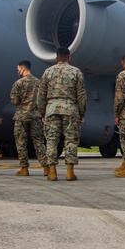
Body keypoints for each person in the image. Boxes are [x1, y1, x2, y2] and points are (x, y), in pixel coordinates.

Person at [37, 47, 86, 181]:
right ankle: (70, 172)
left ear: (56, 58)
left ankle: (52, 172)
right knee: (71, 141)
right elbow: (81, 96)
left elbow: (41, 95)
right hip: (70, 109)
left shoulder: (48, 72)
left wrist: (42, 113)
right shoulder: (76, 72)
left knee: (51, 141)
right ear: (69, 58)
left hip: (52, 109)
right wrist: (82, 113)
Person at [10, 60, 48, 177]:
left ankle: (24, 168)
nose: (18, 72)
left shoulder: (18, 83)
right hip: (36, 116)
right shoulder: (39, 82)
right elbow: (43, 100)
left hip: (21, 116)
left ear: (23, 68)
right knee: (39, 142)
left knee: (21, 142)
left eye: (18, 69)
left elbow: (14, 100)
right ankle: (46, 167)